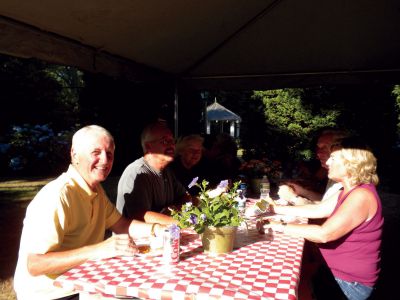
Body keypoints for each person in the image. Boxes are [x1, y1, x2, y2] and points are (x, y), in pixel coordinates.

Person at [13, 125, 167, 300]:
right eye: (96, 152)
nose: (105, 160)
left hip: (83, 281)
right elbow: (35, 264)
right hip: (53, 293)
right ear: (74, 154)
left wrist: (158, 229)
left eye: (109, 154)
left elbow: (122, 225)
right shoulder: (56, 196)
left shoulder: (95, 190)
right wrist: (99, 250)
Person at [265, 137, 384, 300]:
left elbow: (323, 234)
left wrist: (277, 225)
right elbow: (317, 209)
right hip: (333, 272)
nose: (328, 162)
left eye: (333, 158)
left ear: (352, 163)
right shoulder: (348, 189)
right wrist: (273, 209)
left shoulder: (361, 195)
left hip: (349, 284)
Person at [116, 121, 189, 224]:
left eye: (172, 141)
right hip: (133, 239)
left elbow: (186, 197)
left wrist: (174, 208)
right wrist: (179, 222)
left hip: (162, 235)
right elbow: (141, 216)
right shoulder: (137, 172)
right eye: (165, 141)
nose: (172, 145)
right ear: (148, 147)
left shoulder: (167, 171)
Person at [280, 128, 350, 204]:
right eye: (319, 148)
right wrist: (302, 191)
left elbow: (324, 211)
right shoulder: (335, 174)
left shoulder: (351, 180)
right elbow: (325, 201)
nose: (318, 153)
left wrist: (293, 198)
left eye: (325, 147)